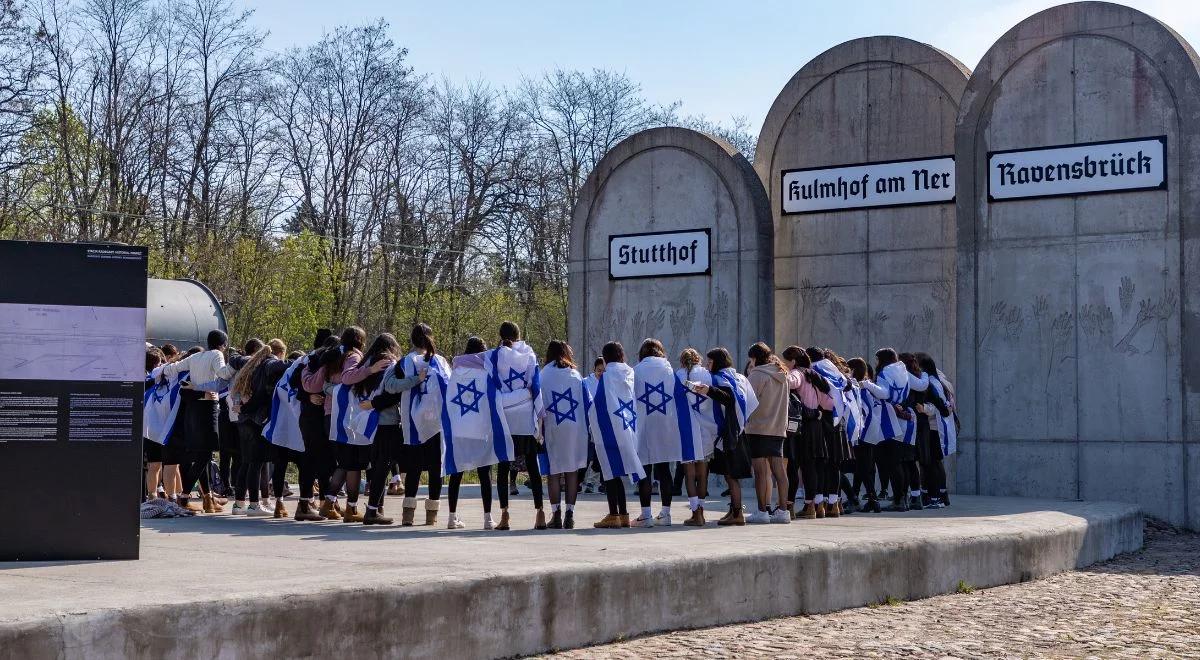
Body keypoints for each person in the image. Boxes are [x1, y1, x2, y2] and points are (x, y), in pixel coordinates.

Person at [160, 330, 235, 513]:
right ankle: (185, 496)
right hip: (208, 408)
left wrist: (163, 370)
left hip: (193, 410)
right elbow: (223, 373)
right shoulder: (216, 354)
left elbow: (172, 368)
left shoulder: (195, 358)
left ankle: (205, 499)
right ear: (223, 345)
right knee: (205, 455)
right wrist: (237, 364)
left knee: (201, 455)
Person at [630, 338, 700, 527]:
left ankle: (646, 515)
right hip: (666, 424)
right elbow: (679, 397)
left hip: (644, 424)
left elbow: (630, 397)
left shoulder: (636, 370)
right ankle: (666, 513)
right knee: (664, 469)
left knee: (645, 469)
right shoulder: (669, 370)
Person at [486, 321, 547, 530]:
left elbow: (489, 382)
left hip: (506, 417)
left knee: (503, 467)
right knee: (532, 467)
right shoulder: (529, 353)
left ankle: (504, 515)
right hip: (524, 416)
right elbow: (536, 385)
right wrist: (539, 414)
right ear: (519, 335)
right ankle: (540, 512)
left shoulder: (494, 355)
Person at [691, 347, 757, 526]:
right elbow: (751, 402)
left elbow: (728, 399)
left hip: (729, 432)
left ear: (718, 362)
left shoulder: (720, 379)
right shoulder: (740, 377)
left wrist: (708, 390)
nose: (707, 365)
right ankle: (733, 511)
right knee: (731, 474)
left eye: (710, 362)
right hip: (739, 429)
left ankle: (737, 513)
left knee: (731, 475)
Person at [344, 333, 404, 525]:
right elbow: (393, 393)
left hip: (367, 423)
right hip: (385, 419)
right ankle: (372, 510)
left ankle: (377, 509)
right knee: (383, 467)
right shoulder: (389, 364)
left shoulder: (367, 365)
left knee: (378, 465)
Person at [395, 323, 449, 526]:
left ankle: (408, 514)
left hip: (413, 422)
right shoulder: (441, 362)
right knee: (436, 469)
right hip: (437, 423)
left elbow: (394, 387)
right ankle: (431, 515)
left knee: (414, 469)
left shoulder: (404, 362)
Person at [441, 336, 496, 529]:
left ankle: (451, 516)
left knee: (456, 474)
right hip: (480, 427)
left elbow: (450, 399)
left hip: (460, 427)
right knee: (484, 473)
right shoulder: (487, 371)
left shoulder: (456, 371)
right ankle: (488, 518)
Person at [314, 327, 367, 521]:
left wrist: (328, 388)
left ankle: (329, 502)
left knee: (345, 462)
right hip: (346, 414)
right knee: (352, 463)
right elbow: (349, 379)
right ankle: (350, 508)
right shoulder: (353, 356)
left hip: (329, 414)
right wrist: (368, 370)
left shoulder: (334, 356)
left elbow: (320, 383)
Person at [539, 340, 590, 529]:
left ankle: (556, 514)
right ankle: (570, 513)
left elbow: (538, 403)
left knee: (553, 472)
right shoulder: (576, 376)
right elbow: (587, 403)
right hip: (574, 427)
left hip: (553, 426)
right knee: (572, 470)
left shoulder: (543, 375)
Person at [780, 346, 830, 519]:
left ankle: (790, 507)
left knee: (794, 467)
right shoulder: (814, 374)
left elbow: (790, 381)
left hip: (801, 426)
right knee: (812, 467)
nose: (783, 364)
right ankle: (815, 506)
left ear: (792, 361)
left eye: (784, 361)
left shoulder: (797, 373)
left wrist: (779, 373)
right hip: (816, 424)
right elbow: (827, 401)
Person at [743, 342, 790, 524]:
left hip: (758, 428)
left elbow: (748, 401)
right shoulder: (782, 374)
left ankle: (762, 511)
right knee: (779, 470)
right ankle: (783, 511)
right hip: (778, 428)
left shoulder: (757, 375)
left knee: (761, 472)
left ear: (754, 358)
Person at [229, 344, 276, 516]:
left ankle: (239, 503)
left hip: (242, 422)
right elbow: (260, 396)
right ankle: (254, 505)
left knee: (246, 462)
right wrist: (247, 408)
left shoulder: (247, 369)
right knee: (257, 463)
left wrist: (241, 408)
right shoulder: (264, 370)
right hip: (256, 421)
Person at [302, 334, 341, 519]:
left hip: (316, 416)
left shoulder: (311, 361)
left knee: (325, 462)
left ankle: (326, 503)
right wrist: (308, 396)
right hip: (314, 417)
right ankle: (307, 504)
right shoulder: (315, 362)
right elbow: (299, 384)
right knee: (316, 461)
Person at [677, 348, 715, 526]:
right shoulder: (707, 374)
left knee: (689, 474)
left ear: (682, 361)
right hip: (705, 428)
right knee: (703, 473)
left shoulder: (678, 375)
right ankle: (701, 510)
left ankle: (695, 513)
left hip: (686, 429)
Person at [915, 353, 953, 509]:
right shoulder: (938, 379)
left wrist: (924, 409)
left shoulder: (930, 382)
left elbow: (939, 405)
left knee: (931, 463)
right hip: (937, 428)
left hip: (933, 428)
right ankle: (941, 496)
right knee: (934, 463)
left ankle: (935, 497)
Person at [848, 358, 883, 513]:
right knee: (863, 468)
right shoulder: (868, 388)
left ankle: (870, 499)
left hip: (863, 433)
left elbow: (863, 412)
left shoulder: (860, 389)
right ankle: (861, 498)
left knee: (863, 468)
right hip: (870, 433)